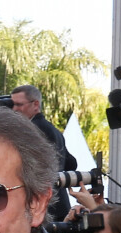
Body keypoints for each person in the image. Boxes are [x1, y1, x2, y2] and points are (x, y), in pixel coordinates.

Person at [11, 84, 77, 220]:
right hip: (59, 202)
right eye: (13, 104)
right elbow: (71, 163)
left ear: (35, 104)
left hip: (44, 206)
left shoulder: (31, 130)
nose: (14, 109)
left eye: (19, 105)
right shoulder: (53, 130)